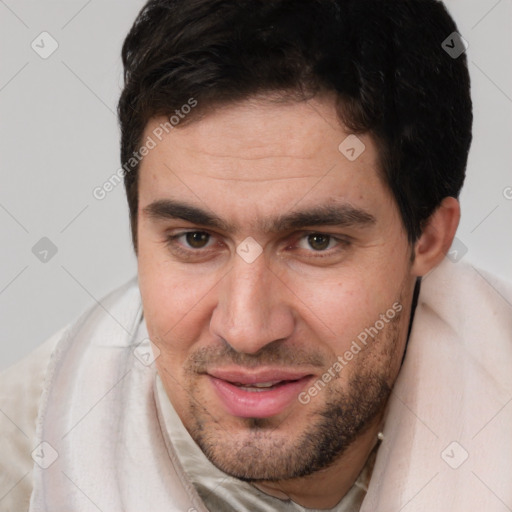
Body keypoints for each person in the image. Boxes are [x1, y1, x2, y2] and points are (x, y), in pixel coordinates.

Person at [1, 0, 511, 510]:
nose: (246, 329)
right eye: (195, 239)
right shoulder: (24, 456)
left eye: (317, 241)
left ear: (427, 238)